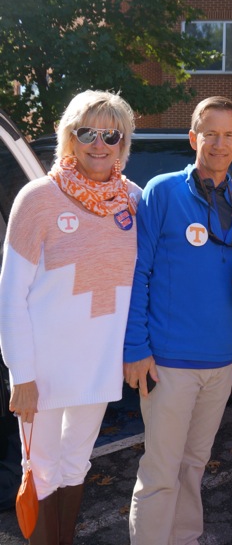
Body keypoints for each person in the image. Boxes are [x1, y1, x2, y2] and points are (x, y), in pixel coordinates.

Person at [0, 90, 140, 544]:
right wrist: (21, 374)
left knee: (76, 464)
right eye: (87, 132)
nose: (99, 144)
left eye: (111, 134)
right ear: (70, 137)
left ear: (123, 141)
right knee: (39, 469)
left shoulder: (134, 200)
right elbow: (11, 295)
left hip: (98, 364)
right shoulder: (38, 197)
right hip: (42, 368)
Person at [123, 96, 232, 545]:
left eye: (228, 135)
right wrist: (135, 349)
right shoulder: (162, 191)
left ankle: (184, 538)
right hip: (167, 362)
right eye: (210, 133)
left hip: (222, 363)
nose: (219, 144)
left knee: (193, 466)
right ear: (193, 137)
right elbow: (138, 272)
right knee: (161, 471)